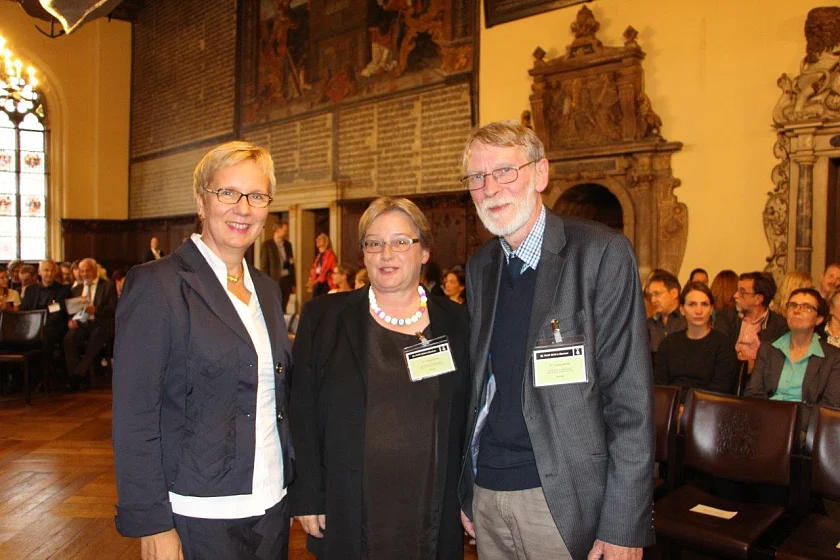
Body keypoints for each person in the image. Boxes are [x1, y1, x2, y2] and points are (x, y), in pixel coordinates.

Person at [458, 121, 653, 560]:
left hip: (562, 498)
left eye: (505, 171)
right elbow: (481, 388)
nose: (490, 188)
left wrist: (624, 523)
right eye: (477, 177)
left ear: (541, 174)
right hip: (489, 492)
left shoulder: (601, 253)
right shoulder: (481, 266)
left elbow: (630, 400)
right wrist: (468, 488)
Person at [112, 141, 294, 560]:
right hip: (197, 513)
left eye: (257, 196)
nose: (243, 208)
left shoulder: (266, 290)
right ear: (201, 201)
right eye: (227, 193)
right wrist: (153, 521)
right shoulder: (158, 285)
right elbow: (134, 415)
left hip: (271, 503)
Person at [290, 197, 470, 559]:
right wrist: (309, 493)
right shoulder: (324, 318)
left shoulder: (460, 322)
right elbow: (301, 409)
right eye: (374, 243)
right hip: (349, 504)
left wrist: (471, 497)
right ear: (364, 254)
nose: (387, 253)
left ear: (424, 252)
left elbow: (471, 417)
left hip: (431, 506)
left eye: (401, 241)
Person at [746, 288, 840, 431]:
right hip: (765, 423)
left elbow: (829, 407)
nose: (797, 310)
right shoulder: (769, 348)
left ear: (819, 319)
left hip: (804, 430)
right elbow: (753, 392)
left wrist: (789, 422)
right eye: (793, 305)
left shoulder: (832, 357)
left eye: (807, 307)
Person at [654, 282, 738, 402]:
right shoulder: (668, 344)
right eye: (692, 304)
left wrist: (688, 411)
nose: (699, 311)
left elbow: (721, 389)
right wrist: (675, 410)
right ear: (682, 309)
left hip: (707, 411)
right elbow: (660, 386)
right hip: (671, 409)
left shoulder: (723, 345)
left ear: (711, 309)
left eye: (704, 304)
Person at [63, 257, 118, 390]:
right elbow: (71, 311)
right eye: (82, 271)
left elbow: (114, 308)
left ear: (94, 270)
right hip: (82, 322)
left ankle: (76, 377)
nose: (84, 274)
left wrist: (97, 309)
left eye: (88, 271)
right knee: (69, 339)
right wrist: (70, 321)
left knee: (96, 338)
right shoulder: (76, 289)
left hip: (101, 323)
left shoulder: (107, 286)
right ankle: (78, 376)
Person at [715, 271, 788, 371]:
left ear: (758, 299)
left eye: (742, 292)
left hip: (760, 380)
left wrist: (754, 365)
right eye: (737, 290)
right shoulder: (726, 317)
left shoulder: (779, 326)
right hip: (728, 374)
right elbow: (719, 352)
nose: (735, 295)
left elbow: (776, 362)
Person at [21, 260, 73, 376]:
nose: (49, 274)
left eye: (52, 270)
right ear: (39, 272)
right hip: (31, 326)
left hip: (53, 326)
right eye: (46, 270)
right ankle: (22, 377)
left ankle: (43, 376)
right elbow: (24, 311)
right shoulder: (30, 290)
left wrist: (40, 326)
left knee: (45, 337)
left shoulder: (63, 290)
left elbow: (58, 314)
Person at [645, 269, 686, 355]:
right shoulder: (649, 325)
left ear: (674, 293)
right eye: (651, 296)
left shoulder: (687, 320)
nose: (653, 300)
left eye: (657, 294)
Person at [260, 221, 295, 312]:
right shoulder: (267, 245)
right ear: (277, 230)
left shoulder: (288, 245)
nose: (287, 232)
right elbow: (264, 266)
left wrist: (293, 283)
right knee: (274, 307)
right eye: (285, 230)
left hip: (286, 281)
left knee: (283, 307)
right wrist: (265, 283)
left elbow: (292, 265)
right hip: (274, 280)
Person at [306, 232, 337, 298]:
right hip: (318, 285)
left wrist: (314, 283)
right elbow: (314, 270)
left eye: (320, 239)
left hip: (327, 285)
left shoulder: (330, 255)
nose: (317, 240)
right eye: (317, 239)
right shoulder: (318, 256)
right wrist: (311, 282)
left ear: (326, 241)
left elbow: (325, 272)